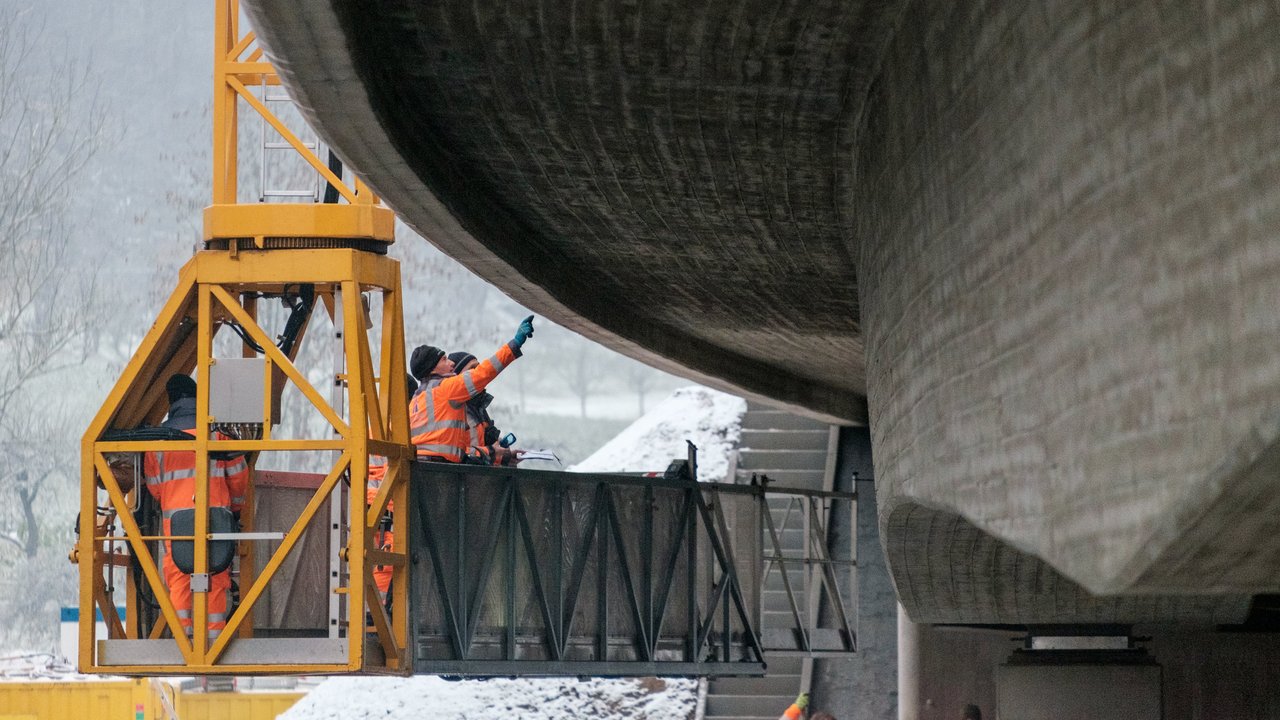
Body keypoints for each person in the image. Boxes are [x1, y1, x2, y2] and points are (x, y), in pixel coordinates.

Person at [142, 374, 248, 639]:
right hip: (217, 521)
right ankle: (213, 641)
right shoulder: (218, 435)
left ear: (171, 403)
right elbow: (238, 479)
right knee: (215, 576)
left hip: (175, 525)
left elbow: (155, 488)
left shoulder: (156, 442)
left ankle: (184, 642)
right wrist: (235, 510)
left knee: (178, 581)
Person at [409, 316, 534, 462]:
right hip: (441, 469)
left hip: (422, 469)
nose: (451, 364)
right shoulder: (447, 389)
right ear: (432, 369)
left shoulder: (415, 400)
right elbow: (484, 373)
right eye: (444, 359)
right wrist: (514, 345)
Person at [368, 373, 418, 599]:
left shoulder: (373, 428)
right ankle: (377, 614)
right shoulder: (399, 431)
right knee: (386, 561)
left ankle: (373, 612)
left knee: (376, 558)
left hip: (371, 501)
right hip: (387, 503)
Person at [447, 351, 520, 466]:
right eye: (472, 368)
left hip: (478, 476)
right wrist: (490, 452)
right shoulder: (450, 411)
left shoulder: (478, 408)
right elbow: (449, 453)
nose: (478, 373)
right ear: (457, 378)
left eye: (479, 368)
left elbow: (487, 451)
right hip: (458, 478)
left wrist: (504, 458)